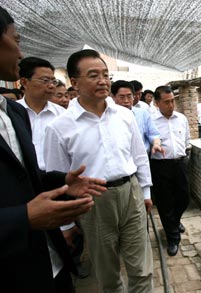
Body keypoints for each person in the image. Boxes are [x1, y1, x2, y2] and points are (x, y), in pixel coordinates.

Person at [0, 7, 106, 292]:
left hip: (49, 261)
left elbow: (25, 178)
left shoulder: (10, 113)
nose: (20, 53)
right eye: (16, 39)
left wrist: (61, 182)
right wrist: (23, 219)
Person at [43, 49, 154, 292]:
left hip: (130, 193)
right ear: (75, 82)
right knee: (107, 274)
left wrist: (145, 192)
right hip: (93, 202)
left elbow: (139, 156)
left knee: (142, 269)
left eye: (106, 74)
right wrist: (66, 224)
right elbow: (57, 180)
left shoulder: (124, 115)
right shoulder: (60, 127)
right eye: (93, 75)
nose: (103, 81)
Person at [151, 85, 190, 256]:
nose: (171, 105)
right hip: (160, 166)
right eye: (166, 102)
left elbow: (187, 140)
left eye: (172, 101)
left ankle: (175, 221)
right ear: (157, 103)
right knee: (165, 202)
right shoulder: (150, 121)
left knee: (184, 197)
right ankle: (173, 238)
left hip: (180, 164)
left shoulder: (181, 118)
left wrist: (185, 158)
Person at [17, 56, 65, 170]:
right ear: (24, 82)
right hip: (24, 178)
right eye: (45, 80)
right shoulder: (12, 112)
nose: (51, 85)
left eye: (53, 81)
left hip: (55, 176)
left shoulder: (62, 114)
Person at [111, 80, 163, 154]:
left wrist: (156, 144)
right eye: (122, 97)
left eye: (129, 96)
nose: (126, 101)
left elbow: (154, 134)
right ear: (113, 97)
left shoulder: (142, 114)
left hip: (142, 156)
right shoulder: (109, 116)